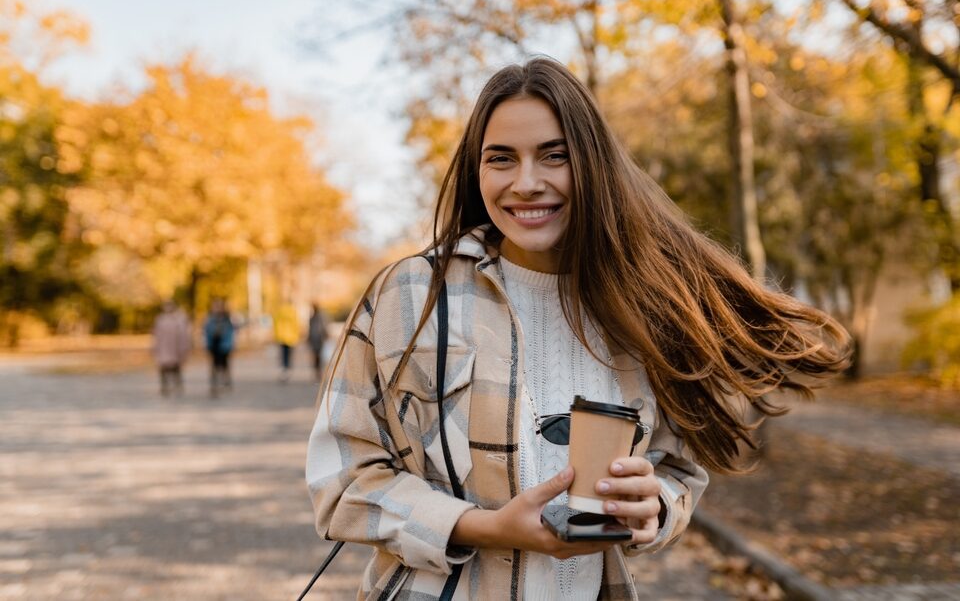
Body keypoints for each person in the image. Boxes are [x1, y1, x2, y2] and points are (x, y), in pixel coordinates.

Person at [305, 58, 851, 599]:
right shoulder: (410, 295)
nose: (526, 182)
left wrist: (652, 506)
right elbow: (343, 480)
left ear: (591, 164)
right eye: (501, 159)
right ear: (478, 171)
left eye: (553, 156)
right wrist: (483, 526)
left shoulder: (645, 302)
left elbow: (678, 470)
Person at [151, 300, 191, 396]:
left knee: (176, 368)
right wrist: (154, 347)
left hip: (175, 348)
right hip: (164, 348)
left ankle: (177, 385)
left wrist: (183, 349)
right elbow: (156, 335)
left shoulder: (179, 320)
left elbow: (183, 336)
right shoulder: (160, 319)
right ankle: (165, 387)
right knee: (163, 368)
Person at [203, 298, 235, 398]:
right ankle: (214, 384)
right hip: (213, 345)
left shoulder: (226, 319)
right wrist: (207, 345)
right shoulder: (210, 319)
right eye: (215, 307)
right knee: (214, 366)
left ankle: (226, 381)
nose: (216, 309)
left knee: (224, 365)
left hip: (224, 345)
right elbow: (206, 332)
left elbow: (231, 333)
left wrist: (229, 345)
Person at [273, 301, 301, 382]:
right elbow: (296, 324)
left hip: (281, 337)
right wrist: (297, 336)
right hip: (291, 337)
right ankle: (287, 370)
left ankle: (284, 370)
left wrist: (276, 336)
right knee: (289, 355)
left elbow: (276, 324)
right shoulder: (293, 312)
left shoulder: (279, 311)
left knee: (283, 354)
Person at [307, 303, 329, 382]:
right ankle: (317, 372)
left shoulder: (319, 317)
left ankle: (318, 372)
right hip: (315, 339)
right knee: (316, 356)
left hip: (319, 338)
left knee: (318, 356)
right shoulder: (313, 318)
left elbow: (324, 327)